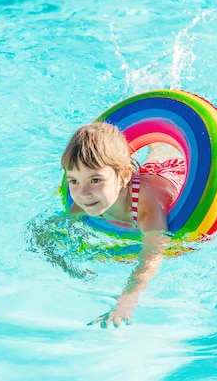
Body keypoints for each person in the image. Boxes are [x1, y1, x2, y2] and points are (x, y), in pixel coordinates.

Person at [61, 121, 186, 328]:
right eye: (74, 181)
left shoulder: (147, 205)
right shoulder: (86, 199)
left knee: (162, 154)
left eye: (95, 180)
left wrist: (126, 301)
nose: (83, 193)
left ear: (125, 176)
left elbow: (152, 255)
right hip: (143, 174)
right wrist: (67, 264)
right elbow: (58, 227)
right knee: (154, 157)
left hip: (170, 177)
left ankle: (158, 129)